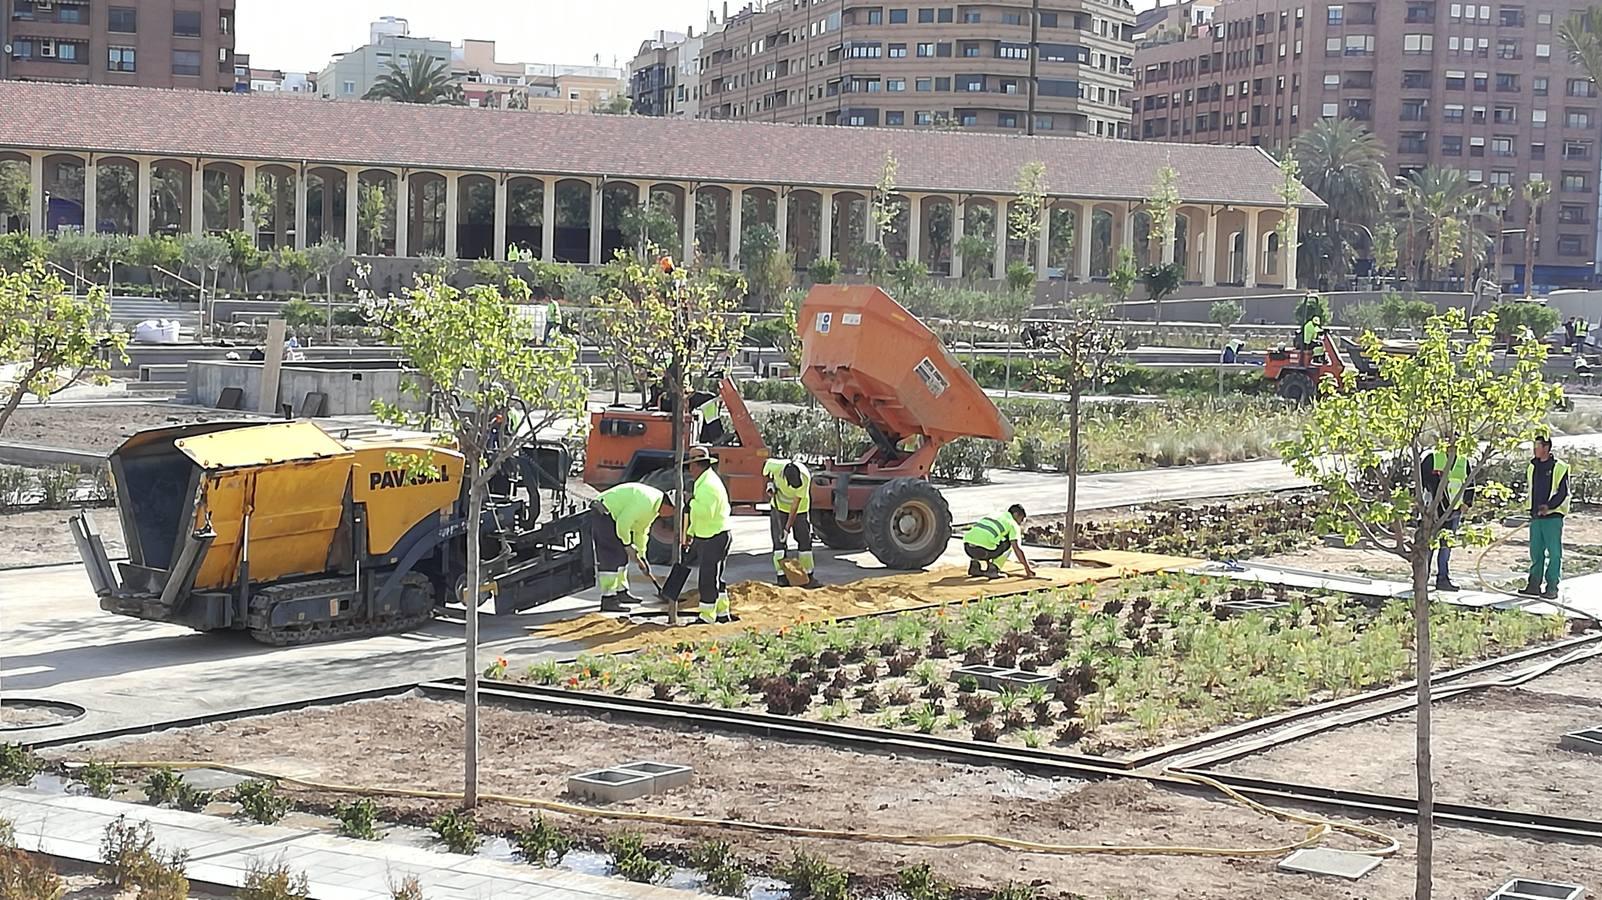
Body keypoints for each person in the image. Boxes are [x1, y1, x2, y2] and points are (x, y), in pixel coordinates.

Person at [661, 445, 734, 624]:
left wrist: (689, 501)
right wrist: (690, 534)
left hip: (714, 536)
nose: (690, 470)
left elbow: (704, 513)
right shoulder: (705, 481)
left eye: (691, 466)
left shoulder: (708, 486)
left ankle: (707, 617)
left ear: (697, 466)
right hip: (710, 534)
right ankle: (723, 613)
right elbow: (698, 518)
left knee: (708, 578)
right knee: (716, 577)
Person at [591, 484, 678, 612]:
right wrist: (627, 544)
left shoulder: (654, 508)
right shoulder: (646, 502)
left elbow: (641, 531)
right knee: (612, 557)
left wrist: (642, 556)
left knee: (622, 558)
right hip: (603, 512)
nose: (671, 516)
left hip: (613, 516)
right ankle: (608, 599)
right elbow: (623, 523)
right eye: (673, 512)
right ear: (667, 505)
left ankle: (621, 592)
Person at [1523, 436, 1570, 600]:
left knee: (1554, 553)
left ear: (1546, 447)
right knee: (1536, 552)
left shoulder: (1560, 467)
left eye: (1537, 446)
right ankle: (1533, 585)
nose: (1534, 449)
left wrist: (1549, 506)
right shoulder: (1532, 466)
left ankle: (1552, 587)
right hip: (1536, 517)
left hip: (1552, 517)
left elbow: (1563, 493)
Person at [1421, 445, 1471, 593]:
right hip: (1433, 511)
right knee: (1428, 546)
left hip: (1454, 510)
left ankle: (1443, 579)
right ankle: (1422, 578)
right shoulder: (1433, 458)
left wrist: (1467, 503)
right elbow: (1422, 480)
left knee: (1446, 546)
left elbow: (1470, 483)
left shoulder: (1463, 460)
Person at [764, 457, 818, 588]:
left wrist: (787, 529)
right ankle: (781, 576)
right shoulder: (774, 465)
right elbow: (766, 474)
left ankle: (807, 575)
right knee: (779, 543)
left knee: (804, 539)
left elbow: (794, 506)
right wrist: (770, 485)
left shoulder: (805, 477)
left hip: (800, 509)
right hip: (779, 506)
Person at [962, 505, 1036, 579]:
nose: (1020, 523)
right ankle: (993, 570)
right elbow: (1017, 549)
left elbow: (985, 537)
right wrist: (1028, 569)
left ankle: (974, 567)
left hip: (968, 548)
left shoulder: (995, 515)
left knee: (981, 540)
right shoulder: (1012, 523)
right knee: (1011, 543)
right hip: (984, 551)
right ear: (1016, 514)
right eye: (1021, 519)